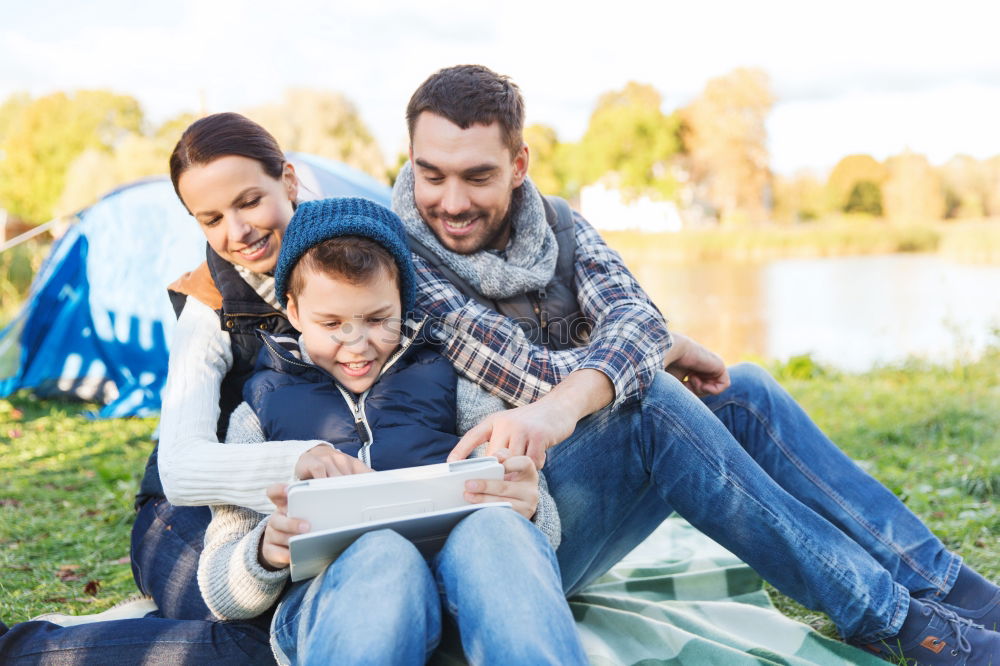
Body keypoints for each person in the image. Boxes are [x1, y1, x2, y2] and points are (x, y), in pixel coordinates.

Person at [384, 64, 1000, 664]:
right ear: (410, 158)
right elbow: (526, 372)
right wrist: (647, 356)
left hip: (565, 490)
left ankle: (950, 588)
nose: (451, 201)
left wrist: (644, 351)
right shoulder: (396, 260)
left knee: (742, 390)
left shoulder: (559, 226)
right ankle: (893, 621)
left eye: (477, 176)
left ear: (519, 167)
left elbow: (639, 322)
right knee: (651, 404)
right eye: (430, 174)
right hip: (495, 542)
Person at [198, 196, 584, 664]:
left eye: (379, 320)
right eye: (332, 324)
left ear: (404, 301)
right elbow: (221, 589)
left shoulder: (453, 381)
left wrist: (529, 509)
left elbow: (542, 528)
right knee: (381, 552)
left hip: (461, 588)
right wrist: (264, 551)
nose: (357, 345)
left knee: (496, 535)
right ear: (294, 312)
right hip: (334, 604)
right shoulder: (256, 411)